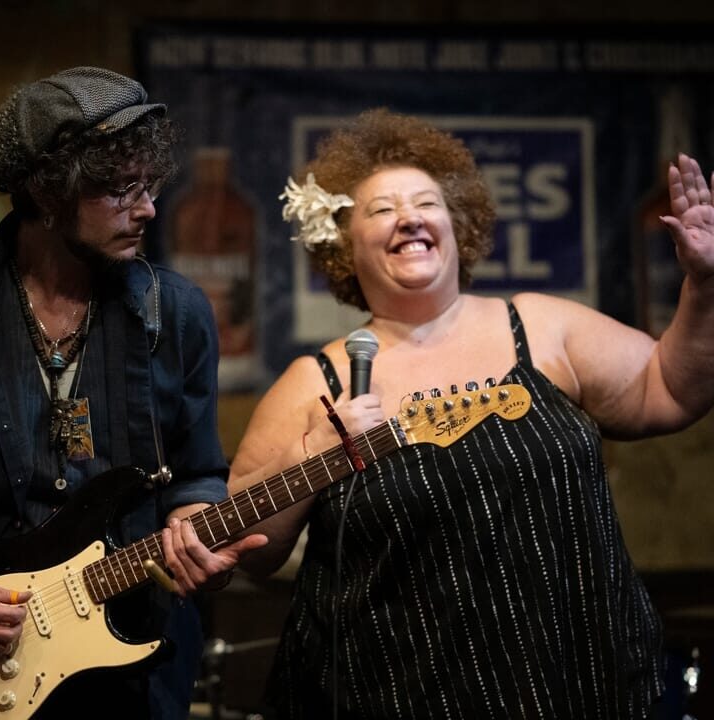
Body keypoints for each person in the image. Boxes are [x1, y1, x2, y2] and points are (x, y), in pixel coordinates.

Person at [227, 108, 714, 719]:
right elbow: (249, 545)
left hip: (578, 685)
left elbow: (672, 389)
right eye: (381, 210)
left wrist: (703, 287)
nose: (409, 218)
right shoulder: (313, 381)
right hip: (392, 697)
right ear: (345, 246)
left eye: (426, 203)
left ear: (458, 226)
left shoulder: (542, 325)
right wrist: (312, 454)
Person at [0, 67, 266, 719]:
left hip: (138, 656)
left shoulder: (177, 312)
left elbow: (196, 473)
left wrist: (194, 533)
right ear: (50, 192)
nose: (148, 208)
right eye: (120, 189)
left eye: (149, 184)